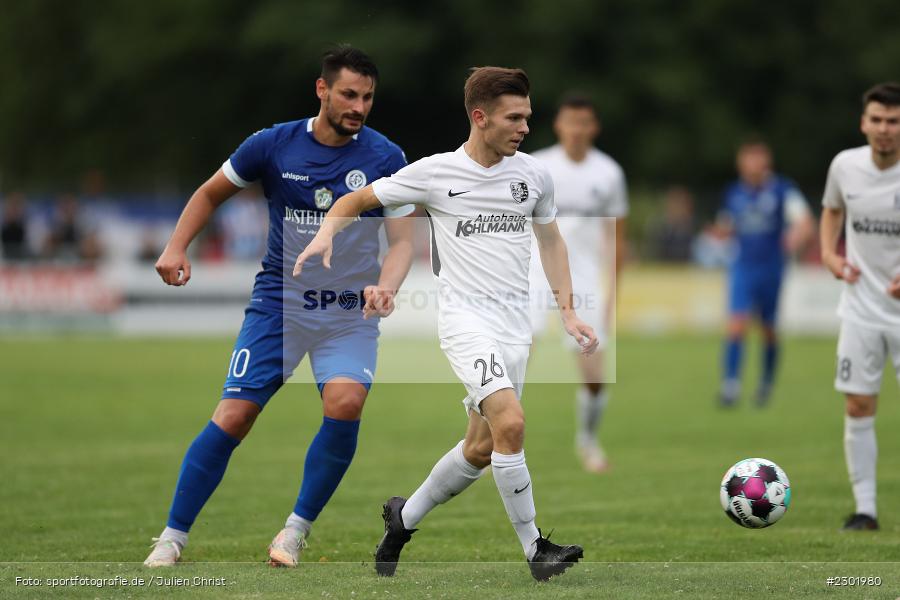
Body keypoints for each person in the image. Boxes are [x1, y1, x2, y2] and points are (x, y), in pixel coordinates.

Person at [294, 66, 597, 581]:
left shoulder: (533, 177)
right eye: (514, 118)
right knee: (513, 425)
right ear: (480, 117)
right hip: (464, 323)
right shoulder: (435, 173)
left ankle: (402, 518)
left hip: (514, 329)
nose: (525, 128)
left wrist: (567, 308)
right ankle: (536, 551)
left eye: (528, 117)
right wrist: (325, 234)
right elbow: (356, 199)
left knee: (481, 448)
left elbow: (550, 241)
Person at [143, 46, 415, 567]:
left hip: (345, 312)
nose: (359, 106)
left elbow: (402, 241)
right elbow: (208, 194)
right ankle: (172, 537)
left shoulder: (385, 158)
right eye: (349, 94)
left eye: (368, 97)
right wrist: (176, 246)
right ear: (322, 89)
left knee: (345, 404)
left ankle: (294, 532)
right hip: (279, 306)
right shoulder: (272, 145)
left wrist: (388, 285)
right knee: (234, 415)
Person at [527, 93, 628, 473]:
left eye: (584, 122)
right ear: (559, 125)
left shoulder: (609, 173)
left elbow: (618, 238)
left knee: (595, 375)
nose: (577, 129)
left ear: (594, 127)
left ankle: (587, 440)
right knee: (515, 358)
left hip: (583, 280)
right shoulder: (537, 165)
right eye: (571, 121)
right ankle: (488, 442)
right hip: (535, 274)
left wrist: (612, 294)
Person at [820, 82, 900, 531]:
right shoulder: (845, 166)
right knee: (857, 407)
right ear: (863, 123)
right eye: (878, 120)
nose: (885, 129)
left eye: (893, 121)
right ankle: (865, 509)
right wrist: (831, 255)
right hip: (862, 309)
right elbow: (832, 209)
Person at [717, 139, 813, 407]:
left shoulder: (783, 190)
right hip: (742, 267)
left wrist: (797, 236)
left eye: (758, 159)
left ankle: (766, 384)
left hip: (771, 267)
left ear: (766, 163)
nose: (753, 166)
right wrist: (719, 233)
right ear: (740, 163)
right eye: (748, 160)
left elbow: (805, 221)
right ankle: (730, 385)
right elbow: (726, 225)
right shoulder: (733, 192)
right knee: (736, 324)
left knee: (768, 329)